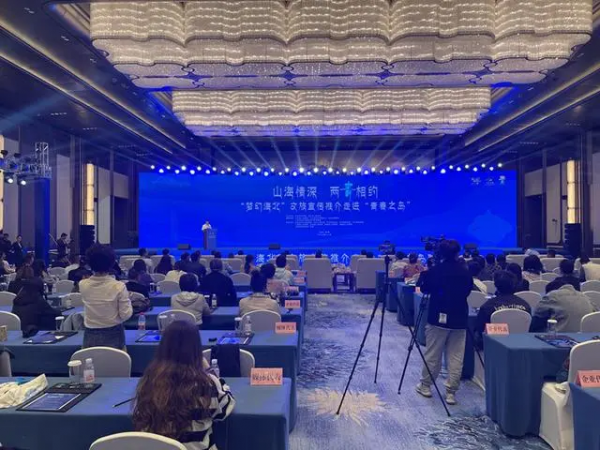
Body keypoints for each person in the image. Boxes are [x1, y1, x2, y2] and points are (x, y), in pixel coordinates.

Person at [132, 320, 234, 448]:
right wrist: (210, 371)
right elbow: (223, 410)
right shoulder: (207, 383)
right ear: (196, 349)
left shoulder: (149, 381)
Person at [416, 239, 473, 405]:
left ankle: (426, 386)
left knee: (433, 353)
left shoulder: (436, 270)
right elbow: (468, 290)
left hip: (437, 317)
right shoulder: (465, 271)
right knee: (456, 357)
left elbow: (424, 288)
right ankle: (451, 392)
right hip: (459, 318)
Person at [79, 244, 132, 349]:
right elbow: (125, 315)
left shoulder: (83, 284)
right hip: (115, 337)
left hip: (90, 337)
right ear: (112, 263)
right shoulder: (118, 286)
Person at [475, 271, 531, 348]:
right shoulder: (526, 305)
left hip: (494, 346)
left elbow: (480, 328)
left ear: (496, 285)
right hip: (520, 345)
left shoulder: (488, 306)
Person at [11, 266, 62, 333]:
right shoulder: (37, 299)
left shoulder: (17, 300)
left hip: (19, 330)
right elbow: (53, 312)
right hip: (34, 330)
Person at [530, 279, 595, 333]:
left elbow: (537, 313)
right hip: (587, 338)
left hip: (560, 337)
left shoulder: (553, 295)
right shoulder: (586, 297)